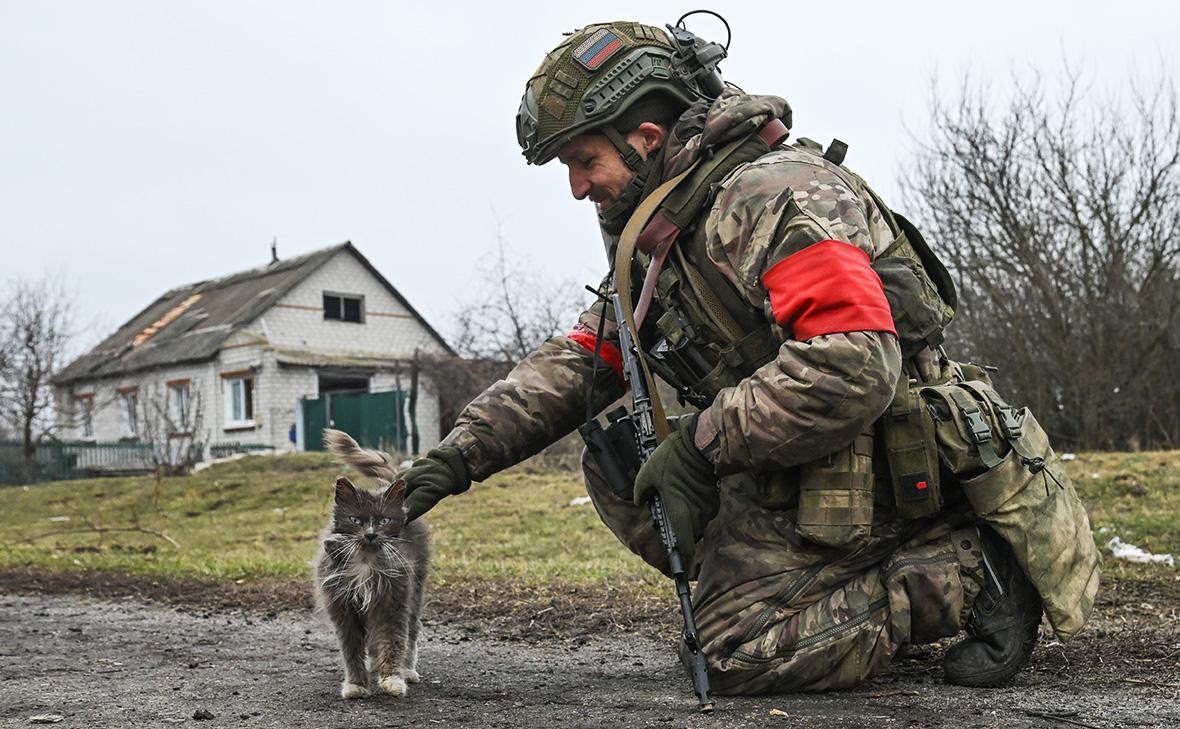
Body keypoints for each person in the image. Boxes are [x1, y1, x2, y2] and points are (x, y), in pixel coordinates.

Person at [395, 20, 1099, 694]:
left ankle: (974, 569)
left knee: (737, 652)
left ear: (646, 137)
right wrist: (456, 458)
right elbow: (589, 354)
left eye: (585, 161)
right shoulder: (668, 226)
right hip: (817, 451)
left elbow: (853, 363)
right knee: (618, 462)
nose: (578, 187)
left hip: (901, 457)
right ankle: (780, 586)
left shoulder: (776, 194)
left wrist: (703, 443)